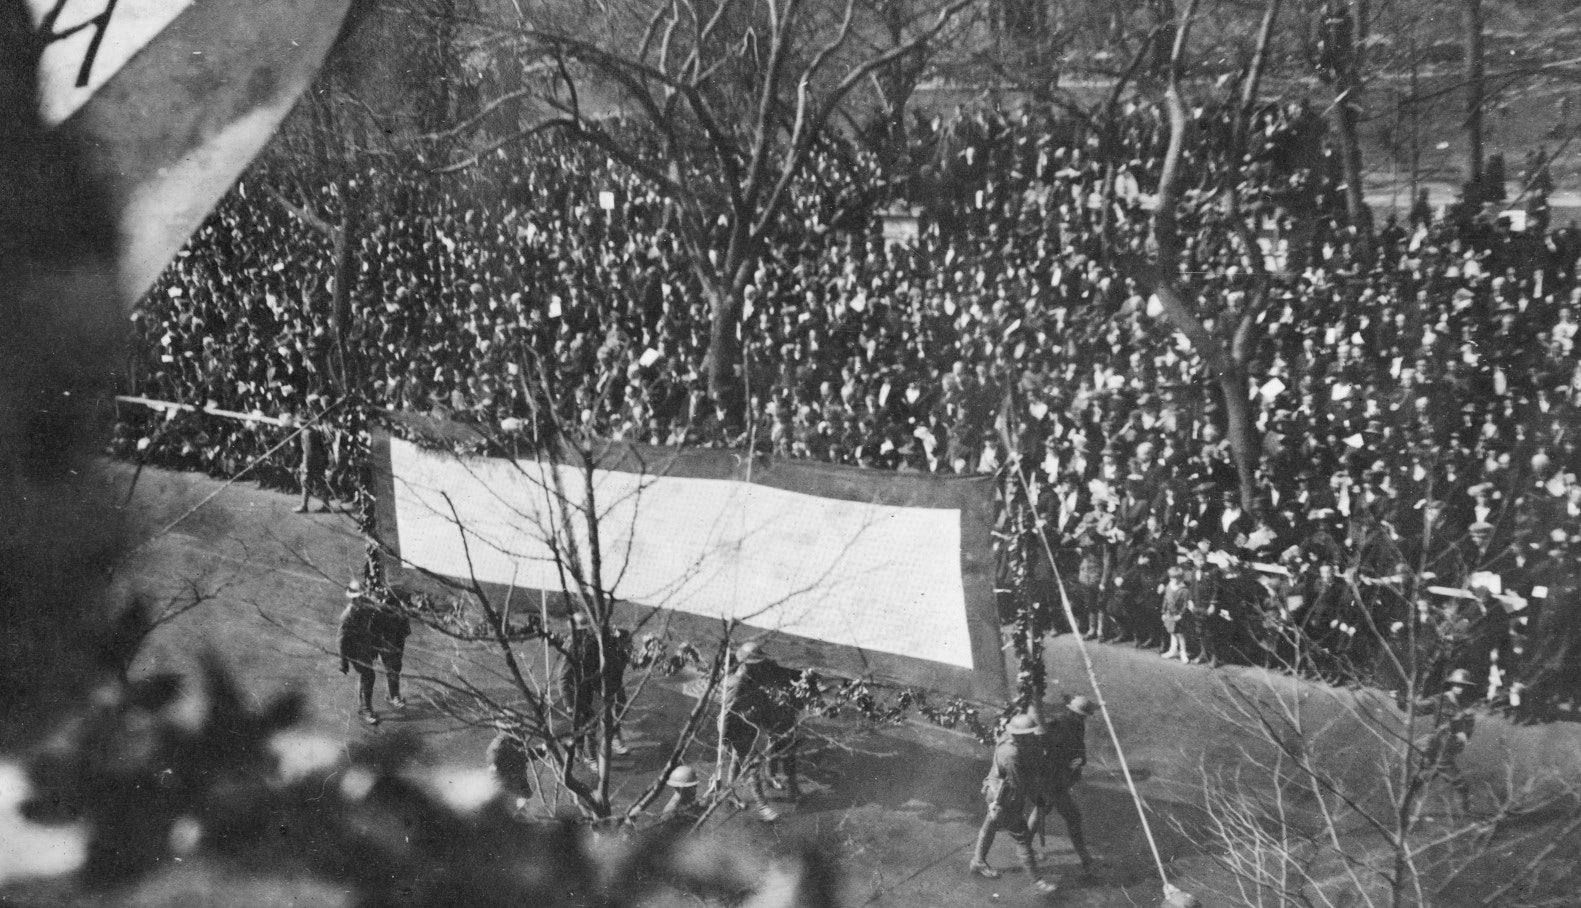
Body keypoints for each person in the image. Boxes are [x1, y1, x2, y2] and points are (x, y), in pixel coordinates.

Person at [970, 712, 1059, 896]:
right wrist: (1039, 799)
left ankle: (978, 861)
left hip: (996, 791)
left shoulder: (1011, 739)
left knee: (991, 825)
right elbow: (1021, 784)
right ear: (1020, 736)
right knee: (1022, 837)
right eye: (1028, 734)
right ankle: (1037, 881)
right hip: (1003, 798)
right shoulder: (1012, 755)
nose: (1032, 736)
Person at [721, 641, 801, 821]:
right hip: (737, 726)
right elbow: (728, 710)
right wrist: (725, 736)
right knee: (752, 766)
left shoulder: (750, 676)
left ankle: (730, 793)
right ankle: (763, 807)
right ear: (749, 664)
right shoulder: (740, 681)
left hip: (750, 726)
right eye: (757, 663)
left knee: (735, 760)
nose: (761, 666)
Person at [1031, 695, 1098, 874]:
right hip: (1052, 781)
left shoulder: (1078, 725)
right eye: (1081, 715)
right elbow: (1048, 755)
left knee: (1040, 811)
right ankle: (1084, 857)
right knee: (1073, 816)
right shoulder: (1057, 727)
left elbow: (1079, 748)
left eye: (1084, 716)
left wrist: (1080, 760)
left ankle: (1025, 847)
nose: (1083, 719)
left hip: (1063, 778)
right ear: (1072, 712)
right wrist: (1066, 764)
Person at [560, 610, 632, 767]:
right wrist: (568, 703)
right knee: (585, 725)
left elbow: (594, 667)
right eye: (582, 630)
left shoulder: (588, 643)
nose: (585, 632)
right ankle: (587, 757)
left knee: (588, 723)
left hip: (586, 689)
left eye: (586, 630)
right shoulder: (571, 646)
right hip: (574, 692)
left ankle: (586, 755)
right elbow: (563, 677)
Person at [337, 580, 410, 725]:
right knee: (368, 676)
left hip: (369, 644)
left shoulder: (369, 607)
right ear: (354, 598)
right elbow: (341, 640)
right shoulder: (348, 614)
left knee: (392, 666)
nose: (362, 599)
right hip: (355, 649)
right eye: (359, 597)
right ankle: (365, 709)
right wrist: (343, 662)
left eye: (363, 596)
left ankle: (393, 696)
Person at [1410, 668, 1477, 813]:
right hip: (1436, 747)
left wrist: (1462, 736)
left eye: (1463, 685)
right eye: (1457, 684)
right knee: (1460, 784)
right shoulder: (1439, 700)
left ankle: (1404, 805)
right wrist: (1406, 701)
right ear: (1451, 684)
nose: (1459, 688)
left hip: (1450, 749)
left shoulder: (1467, 706)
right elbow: (1416, 709)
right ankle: (1464, 816)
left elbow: (1468, 730)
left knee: (1423, 778)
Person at [487, 721, 534, 816]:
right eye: (516, 730)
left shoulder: (512, 743)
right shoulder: (498, 748)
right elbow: (498, 777)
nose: (520, 732)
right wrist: (520, 792)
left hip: (515, 791)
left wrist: (542, 750)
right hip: (508, 793)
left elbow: (522, 755)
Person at [655, 764, 706, 833]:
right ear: (681, 788)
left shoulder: (686, 800)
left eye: (695, 787)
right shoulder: (672, 809)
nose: (695, 791)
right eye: (692, 788)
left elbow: (701, 807)